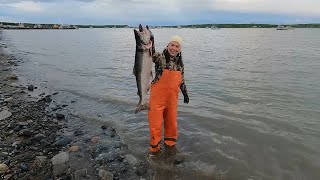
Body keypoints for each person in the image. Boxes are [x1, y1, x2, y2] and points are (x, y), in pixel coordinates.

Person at [148, 35, 189, 156]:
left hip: (172, 99)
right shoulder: (160, 57)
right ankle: (154, 149)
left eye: (177, 46)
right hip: (157, 98)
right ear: (167, 46)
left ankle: (170, 146)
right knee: (155, 124)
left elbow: (182, 80)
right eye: (172, 45)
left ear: (179, 49)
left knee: (171, 123)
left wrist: (185, 94)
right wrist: (151, 41)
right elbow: (151, 54)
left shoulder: (180, 64)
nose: (174, 48)